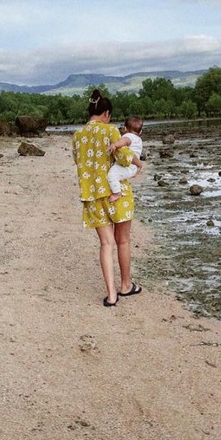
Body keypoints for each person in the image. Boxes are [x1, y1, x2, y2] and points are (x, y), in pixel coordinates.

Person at [72, 90, 143, 307]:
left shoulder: (77, 136)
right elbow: (123, 158)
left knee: (105, 243)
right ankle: (126, 285)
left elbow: (79, 162)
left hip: (92, 195)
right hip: (117, 193)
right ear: (107, 114)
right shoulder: (110, 131)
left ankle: (111, 295)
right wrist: (138, 164)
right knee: (123, 240)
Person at [107, 116, 144, 203]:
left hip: (128, 166)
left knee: (112, 175)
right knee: (119, 176)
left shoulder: (128, 136)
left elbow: (124, 141)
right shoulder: (139, 140)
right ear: (141, 131)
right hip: (133, 167)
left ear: (125, 129)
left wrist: (115, 145)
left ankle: (117, 193)